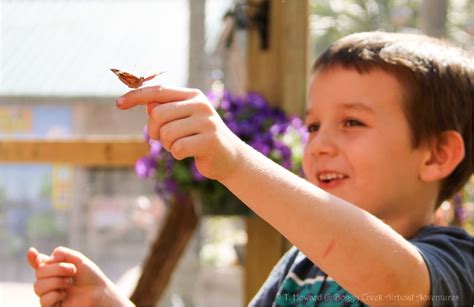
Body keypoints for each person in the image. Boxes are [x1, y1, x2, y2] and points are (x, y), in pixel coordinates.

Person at [27, 32, 473, 306]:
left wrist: (236, 160)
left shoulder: (455, 266)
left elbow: (394, 281)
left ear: (436, 155)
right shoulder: (299, 270)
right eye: (313, 124)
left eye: (352, 122)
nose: (319, 144)